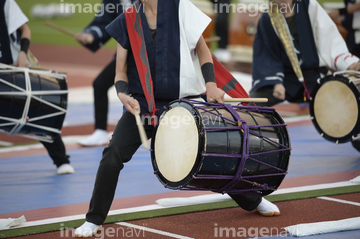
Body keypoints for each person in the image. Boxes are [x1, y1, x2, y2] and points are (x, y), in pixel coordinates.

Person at [74, 0, 280, 237]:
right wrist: (122, 94)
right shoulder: (128, 18)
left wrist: (211, 86)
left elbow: (203, 50)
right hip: (142, 106)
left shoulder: (181, 7)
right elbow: (120, 70)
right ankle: (93, 219)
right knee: (112, 155)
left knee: (210, 153)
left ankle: (253, 200)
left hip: (182, 104)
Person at [0, 0, 74, 175]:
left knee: (38, 111)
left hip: (15, 67)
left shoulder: (5, 2)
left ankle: (61, 160)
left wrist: (23, 53)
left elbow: (25, 29)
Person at [249, 0, 360, 107]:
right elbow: (267, 56)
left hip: (313, 75)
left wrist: (350, 63)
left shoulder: (309, 5)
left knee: (343, 103)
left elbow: (329, 40)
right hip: (286, 78)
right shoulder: (267, 18)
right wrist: (276, 83)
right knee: (254, 101)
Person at [76, 0, 135, 147]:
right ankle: (100, 132)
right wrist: (91, 35)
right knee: (100, 84)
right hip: (126, 54)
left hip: (153, 54)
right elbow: (105, 22)